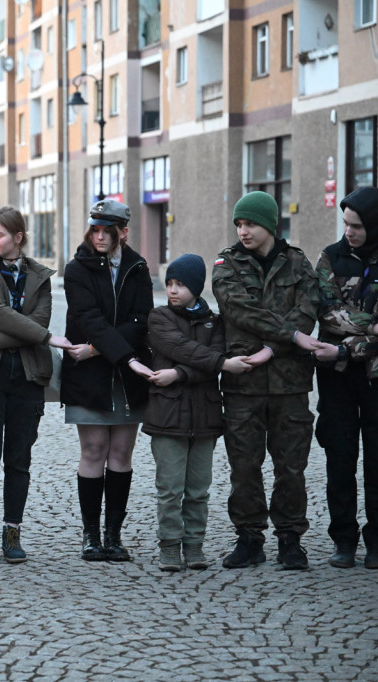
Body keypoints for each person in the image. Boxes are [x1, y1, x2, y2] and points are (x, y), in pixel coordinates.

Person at [212, 190, 333, 570]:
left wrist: (272, 349)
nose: (243, 231)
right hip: (243, 385)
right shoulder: (226, 265)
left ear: (269, 224)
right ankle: (249, 538)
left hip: (290, 384)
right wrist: (290, 339)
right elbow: (239, 311)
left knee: (291, 467)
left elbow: (307, 313)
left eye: (249, 224)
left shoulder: (299, 264)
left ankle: (290, 539)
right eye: (239, 224)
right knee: (244, 466)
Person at [0, 206, 73, 563]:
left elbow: (33, 319)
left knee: (19, 459)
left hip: (27, 377)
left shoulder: (40, 276)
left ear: (18, 237)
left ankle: (12, 533)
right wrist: (43, 337)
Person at [142, 255, 252, 571]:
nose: (173, 290)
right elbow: (183, 349)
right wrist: (211, 365)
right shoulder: (159, 317)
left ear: (196, 287)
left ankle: (194, 547)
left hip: (204, 417)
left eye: (180, 285)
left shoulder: (215, 323)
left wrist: (179, 374)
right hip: (167, 416)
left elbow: (210, 361)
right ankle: (169, 548)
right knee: (170, 490)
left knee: (198, 491)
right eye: (170, 284)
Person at [61, 199, 154, 563]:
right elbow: (88, 320)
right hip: (90, 378)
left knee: (121, 454)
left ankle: (114, 535)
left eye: (107, 230)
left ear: (123, 232)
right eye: (95, 229)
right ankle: (90, 535)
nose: (99, 236)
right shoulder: (76, 268)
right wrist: (118, 352)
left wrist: (100, 351)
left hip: (126, 376)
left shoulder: (138, 267)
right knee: (94, 451)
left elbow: (141, 320)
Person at [313, 186, 378, 569]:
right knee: (340, 458)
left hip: (372, 380)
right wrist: (370, 332)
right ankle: (343, 540)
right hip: (336, 380)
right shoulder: (331, 258)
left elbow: (339, 325)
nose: (348, 231)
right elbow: (326, 313)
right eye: (345, 223)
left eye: (356, 225)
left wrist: (345, 344)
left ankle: (376, 542)